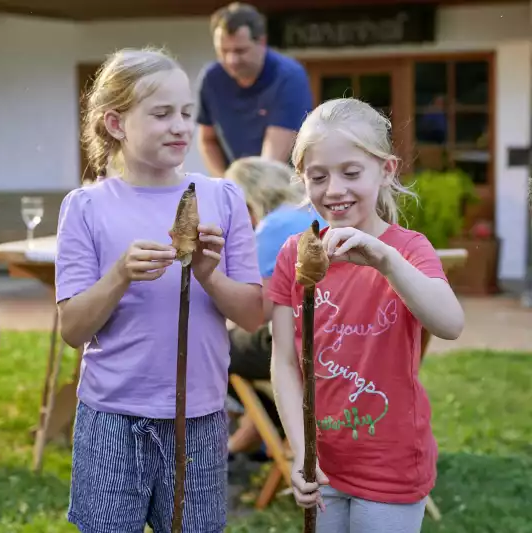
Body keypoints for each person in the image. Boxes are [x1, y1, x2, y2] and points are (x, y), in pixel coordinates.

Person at [56, 47, 264, 532]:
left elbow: (254, 315)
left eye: (188, 113)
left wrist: (210, 274)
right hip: (112, 415)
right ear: (115, 123)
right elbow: (72, 328)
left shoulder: (221, 198)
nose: (180, 127)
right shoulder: (86, 207)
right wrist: (120, 275)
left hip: (200, 415)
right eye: (162, 114)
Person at [268, 98, 465, 532]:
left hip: (390, 466)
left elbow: (450, 324)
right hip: (323, 463)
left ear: (387, 170)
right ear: (302, 180)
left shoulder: (408, 250)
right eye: (318, 177)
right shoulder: (293, 257)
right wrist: (300, 452)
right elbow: (283, 361)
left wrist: (386, 260)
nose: (334, 190)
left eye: (351, 173)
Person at [224, 156, 325, 458]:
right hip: (340, 340)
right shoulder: (319, 213)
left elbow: (260, 311)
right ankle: (260, 427)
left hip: (300, 345)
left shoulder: (273, 226)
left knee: (209, 345)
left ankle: (266, 425)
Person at [196, 2, 313, 176]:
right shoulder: (211, 79)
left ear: (262, 42)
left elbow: (272, 158)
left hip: (285, 186)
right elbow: (208, 140)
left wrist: (246, 193)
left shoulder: (288, 76)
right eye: (223, 51)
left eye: (240, 51)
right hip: (238, 182)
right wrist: (224, 184)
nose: (231, 60)